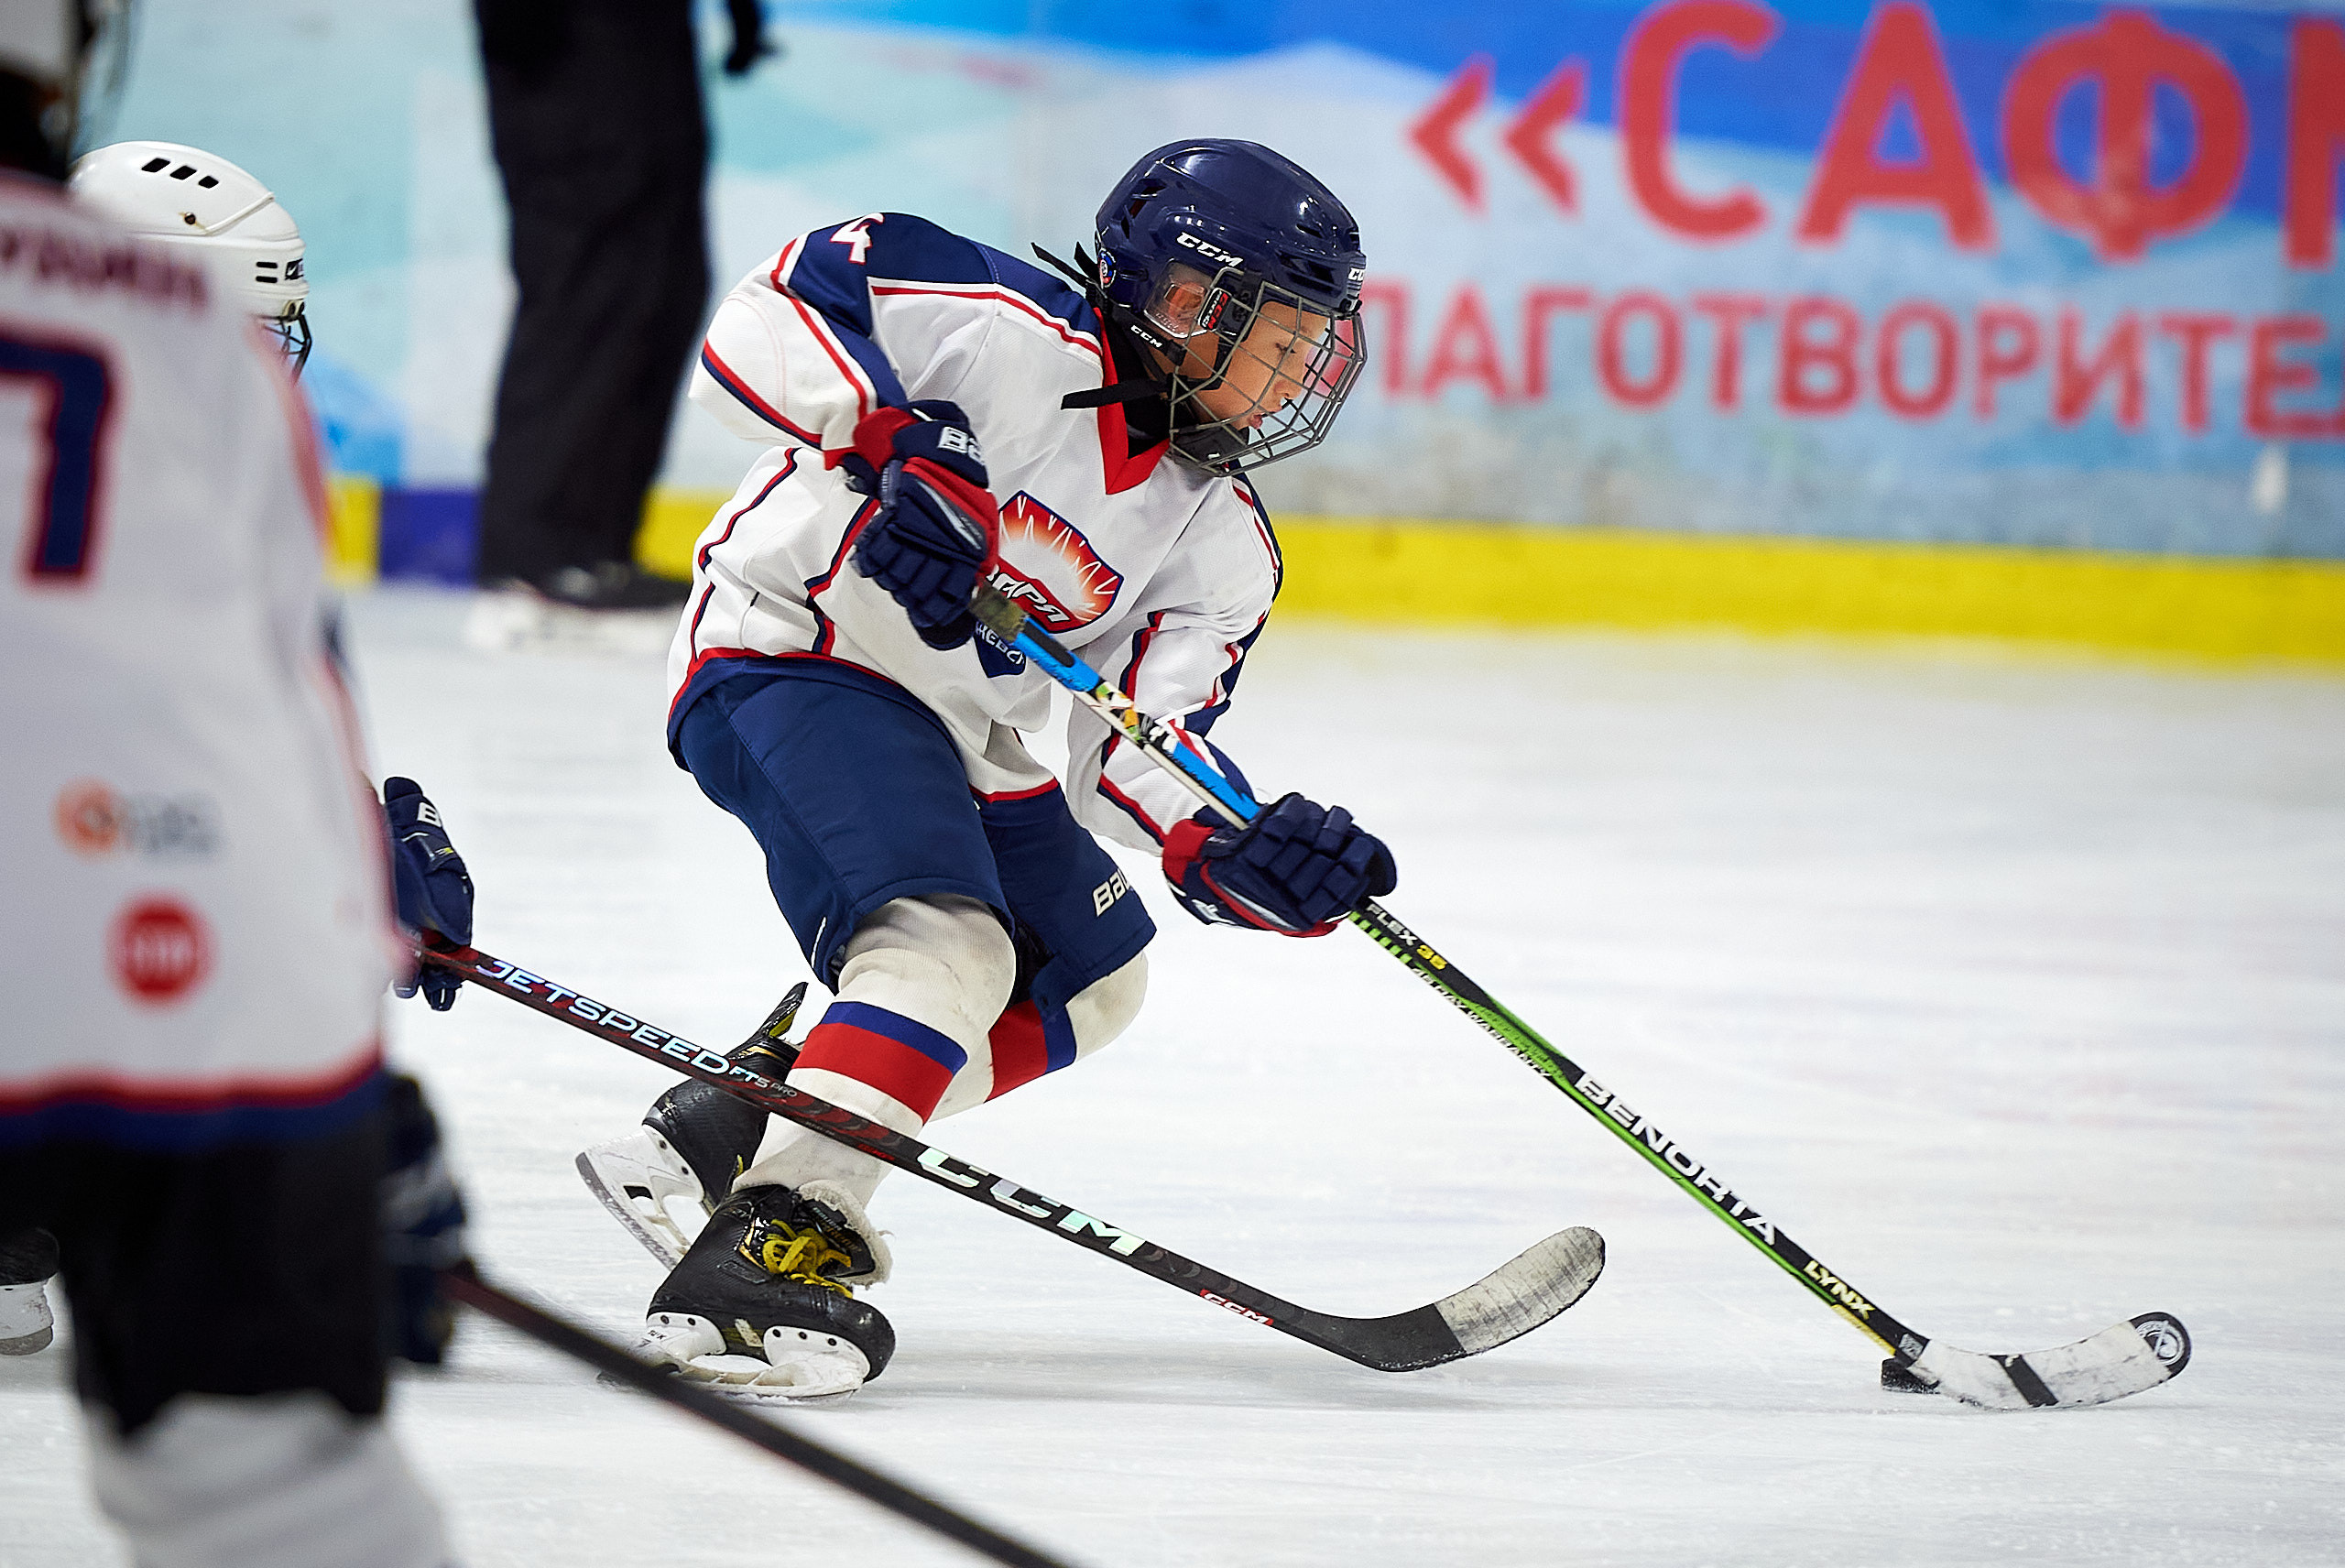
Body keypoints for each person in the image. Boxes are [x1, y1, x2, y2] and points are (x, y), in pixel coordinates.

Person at [575, 139, 1396, 1401]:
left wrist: (1232, 841)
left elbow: (1135, 749)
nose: (1294, 376)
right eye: (1275, 338)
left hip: (969, 732)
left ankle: (736, 1124)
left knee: (1093, 972)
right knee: (945, 945)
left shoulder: (1222, 540)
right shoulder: (997, 323)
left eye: (1308, 351)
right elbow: (767, 314)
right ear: (1181, 300)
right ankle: (765, 1244)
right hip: (799, 649)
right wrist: (899, 441)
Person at [0, 34, 472, 1562]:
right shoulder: (175, 350)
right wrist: (334, 1080)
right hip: (148, 1016)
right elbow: (213, 726)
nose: (274, 359)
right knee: (277, 1479)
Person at [464, 0, 771, 634]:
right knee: (586, 295)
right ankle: (535, 554)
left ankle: (598, 548)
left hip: (650, 45)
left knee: (662, 290)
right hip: (570, 56)